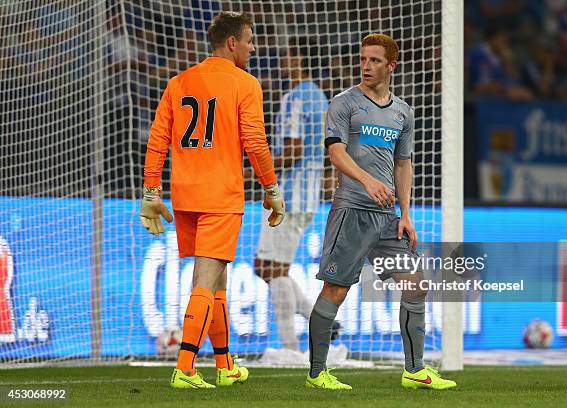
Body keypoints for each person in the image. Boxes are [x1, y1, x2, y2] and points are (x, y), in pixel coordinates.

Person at [139, 11, 285, 389]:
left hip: (185, 195)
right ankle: (185, 368)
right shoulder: (245, 83)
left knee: (217, 280)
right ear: (232, 43)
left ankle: (225, 364)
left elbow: (157, 140)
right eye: (250, 41)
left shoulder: (179, 82)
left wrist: (151, 192)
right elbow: (255, 141)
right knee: (205, 280)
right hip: (221, 195)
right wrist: (271, 188)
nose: (254, 48)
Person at [305, 33, 456, 390]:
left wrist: (406, 214)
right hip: (352, 210)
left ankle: (415, 370)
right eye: (363, 59)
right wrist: (368, 181)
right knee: (335, 291)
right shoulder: (344, 103)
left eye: (375, 60)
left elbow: (404, 165)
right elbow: (336, 153)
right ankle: (317, 374)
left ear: (391, 65)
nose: (366, 66)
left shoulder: (403, 112)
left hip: (388, 218)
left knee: (417, 285)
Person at [254, 37, 340, 354]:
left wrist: (259, 170)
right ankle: (320, 320)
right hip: (308, 196)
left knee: (272, 268)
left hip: (286, 196)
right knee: (267, 266)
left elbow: (293, 149)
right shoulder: (321, 98)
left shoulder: (296, 97)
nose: (282, 59)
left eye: (287, 54)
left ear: (299, 58)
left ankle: (290, 347)